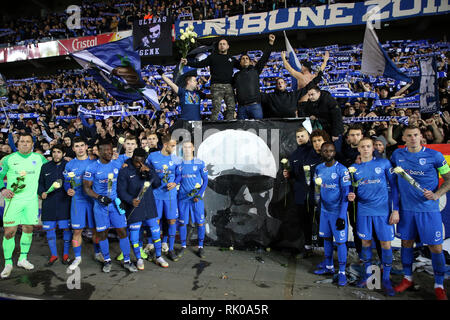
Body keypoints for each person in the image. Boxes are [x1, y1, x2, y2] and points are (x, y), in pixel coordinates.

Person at [391, 125, 450, 300]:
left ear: (421, 136)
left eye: (416, 135)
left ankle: (439, 285)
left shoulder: (435, 156)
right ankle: (407, 278)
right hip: (406, 210)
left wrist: (437, 194)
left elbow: (449, 179)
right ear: (404, 138)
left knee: (435, 247)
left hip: (428, 210)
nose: (413, 138)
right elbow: (393, 182)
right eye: (409, 135)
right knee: (406, 244)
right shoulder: (397, 155)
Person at [347, 137, 399, 296]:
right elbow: (351, 190)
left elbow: (395, 187)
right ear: (358, 149)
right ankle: (368, 276)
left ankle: (386, 280)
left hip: (382, 212)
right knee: (366, 243)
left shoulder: (384, 164)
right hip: (364, 211)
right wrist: (351, 196)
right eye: (362, 146)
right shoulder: (353, 169)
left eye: (368, 146)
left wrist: (395, 209)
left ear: (373, 148)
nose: (365, 149)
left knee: (385, 245)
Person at [83, 138, 137, 273]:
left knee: (123, 231)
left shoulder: (118, 163)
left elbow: (132, 160)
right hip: (100, 206)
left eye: (110, 150)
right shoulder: (92, 168)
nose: (109, 152)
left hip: (115, 205)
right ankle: (107, 260)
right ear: (99, 152)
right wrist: (99, 197)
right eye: (105, 150)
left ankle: (127, 260)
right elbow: (87, 189)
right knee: (102, 233)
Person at [0, 133, 48, 279]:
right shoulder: (8, 159)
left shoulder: (39, 158)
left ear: (32, 144)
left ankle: (22, 259)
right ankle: (8, 263)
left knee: (28, 229)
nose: (25, 144)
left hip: (31, 201)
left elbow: (49, 172)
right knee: (9, 232)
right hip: (13, 201)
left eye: (28, 142)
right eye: (22, 141)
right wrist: (2, 189)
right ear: (17, 143)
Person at [117, 148, 169, 269]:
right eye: (136, 161)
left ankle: (158, 256)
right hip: (135, 207)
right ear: (133, 157)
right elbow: (121, 190)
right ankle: (139, 259)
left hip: (149, 205)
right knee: (134, 235)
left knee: (156, 231)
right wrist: (130, 200)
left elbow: (157, 184)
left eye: (141, 161)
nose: (139, 164)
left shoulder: (148, 166)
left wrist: (149, 172)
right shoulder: (125, 170)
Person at [313, 142, 350, 286]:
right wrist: (318, 206)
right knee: (327, 239)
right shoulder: (318, 169)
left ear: (335, 152)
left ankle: (341, 272)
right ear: (321, 153)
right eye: (325, 151)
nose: (329, 153)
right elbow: (317, 189)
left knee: (340, 242)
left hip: (337, 213)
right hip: (324, 212)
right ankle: (328, 266)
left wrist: (341, 216)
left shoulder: (342, 170)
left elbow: (346, 193)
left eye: (331, 151)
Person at [64, 137, 103, 271]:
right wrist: (67, 189)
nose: (80, 148)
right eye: (77, 146)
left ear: (86, 147)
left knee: (95, 230)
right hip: (77, 201)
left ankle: (98, 253)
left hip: (92, 200)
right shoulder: (69, 165)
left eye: (82, 145)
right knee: (77, 230)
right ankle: (77, 257)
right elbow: (66, 182)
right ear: (73, 148)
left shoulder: (94, 162)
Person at [181, 38, 240, 120]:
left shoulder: (232, 59)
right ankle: (213, 127)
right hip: (216, 86)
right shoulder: (212, 57)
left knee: (231, 108)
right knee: (216, 109)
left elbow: (242, 67)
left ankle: (229, 126)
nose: (222, 45)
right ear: (218, 46)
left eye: (224, 44)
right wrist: (188, 62)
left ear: (228, 46)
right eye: (220, 44)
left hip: (229, 86)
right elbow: (200, 64)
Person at [282, 127, 318, 257]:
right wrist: (288, 174)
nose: (300, 138)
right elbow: (293, 175)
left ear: (308, 136)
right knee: (304, 221)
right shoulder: (294, 155)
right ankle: (307, 248)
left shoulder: (316, 150)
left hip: (317, 193)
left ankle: (324, 250)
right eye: (298, 137)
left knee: (319, 220)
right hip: (300, 194)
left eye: (302, 136)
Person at [145, 135, 181, 261]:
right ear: (165, 145)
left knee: (171, 221)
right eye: (172, 145)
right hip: (156, 195)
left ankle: (170, 249)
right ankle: (156, 249)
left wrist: (175, 183)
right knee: (156, 222)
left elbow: (179, 175)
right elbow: (145, 171)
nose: (174, 148)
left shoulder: (176, 159)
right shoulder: (152, 157)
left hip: (171, 196)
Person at [38, 144, 72, 266]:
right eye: (54, 152)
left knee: (66, 229)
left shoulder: (68, 166)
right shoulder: (45, 167)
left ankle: (66, 254)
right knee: (50, 230)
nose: (56, 154)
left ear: (63, 154)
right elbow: (40, 183)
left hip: (64, 203)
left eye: (58, 152)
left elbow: (72, 182)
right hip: (49, 204)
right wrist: (41, 192)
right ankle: (53, 255)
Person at [177, 141, 208, 258]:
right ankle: (183, 246)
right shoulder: (179, 164)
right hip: (183, 198)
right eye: (184, 147)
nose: (187, 149)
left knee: (200, 223)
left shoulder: (199, 163)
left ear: (193, 148)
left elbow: (205, 181)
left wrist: (198, 195)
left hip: (196, 198)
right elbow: (177, 178)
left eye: (189, 147)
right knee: (183, 223)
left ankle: (200, 247)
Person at [233, 34, 275, 120]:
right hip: (241, 107)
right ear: (240, 62)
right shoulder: (236, 75)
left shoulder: (255, 71)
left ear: (250, 62)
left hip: (255, 106)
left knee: (259, 129)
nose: (245, 60)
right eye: (243, 59)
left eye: (247, 58)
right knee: (242, 131)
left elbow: (264, 58)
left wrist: (270, 44)